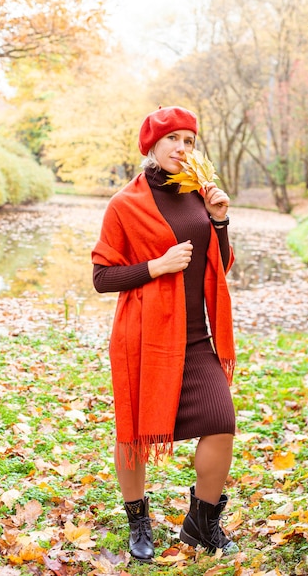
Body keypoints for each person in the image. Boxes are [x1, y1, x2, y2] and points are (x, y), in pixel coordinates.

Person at [91, 105, 238, 562]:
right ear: (151, 146)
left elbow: (220, 264)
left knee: (221, 421)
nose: (181, 147)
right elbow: (101, 277)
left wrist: (218, 221)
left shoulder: (199, 194)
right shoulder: (125, 204)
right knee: (133, 433)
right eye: (172, 139)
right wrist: (156, 266)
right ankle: (139, 518)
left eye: (189, 140)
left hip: (196, 338)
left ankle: (201, 522)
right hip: (144, 338)